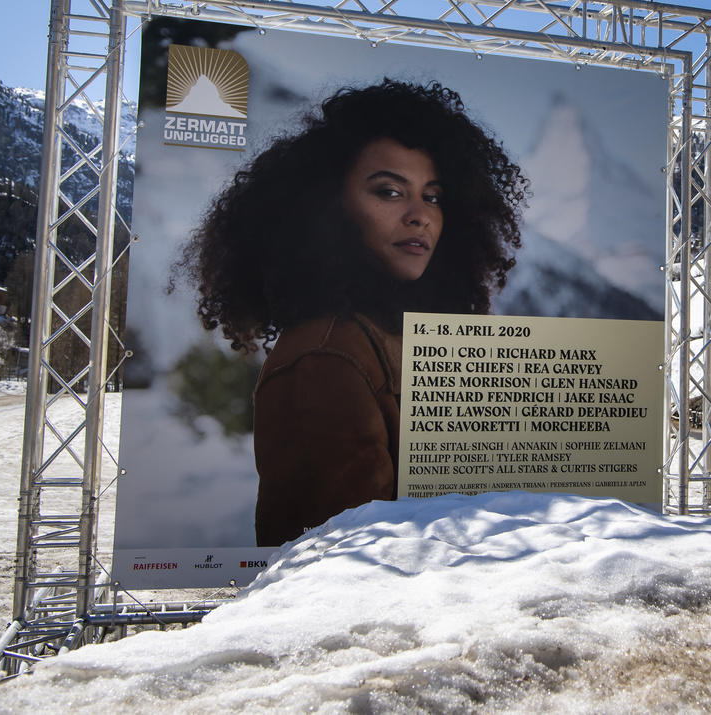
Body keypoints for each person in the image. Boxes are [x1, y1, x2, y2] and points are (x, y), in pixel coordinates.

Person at [176, 79, 528, 545]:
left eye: (435, 196)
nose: (421, 214)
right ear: (327, 208)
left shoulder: (393, 337)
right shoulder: (329, 357)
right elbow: (353, 560)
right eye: (389, 191)